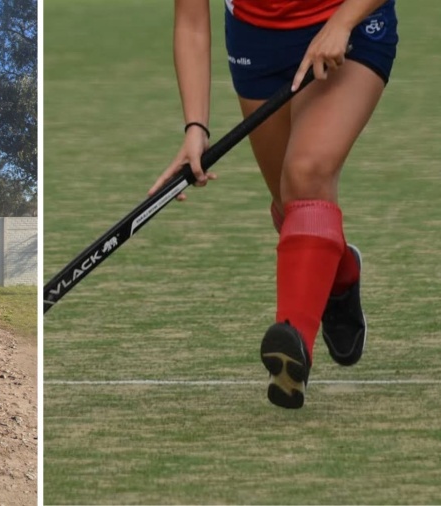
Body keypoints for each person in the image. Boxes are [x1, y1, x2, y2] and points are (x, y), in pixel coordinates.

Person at [149, 0, 398, 409]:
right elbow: (192, 20)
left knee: (305, 176)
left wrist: (343, 21)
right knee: (291, 210)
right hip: (256, 43)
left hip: (349, 26)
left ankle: (293, 346)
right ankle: (340, 279)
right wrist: (196, 127)